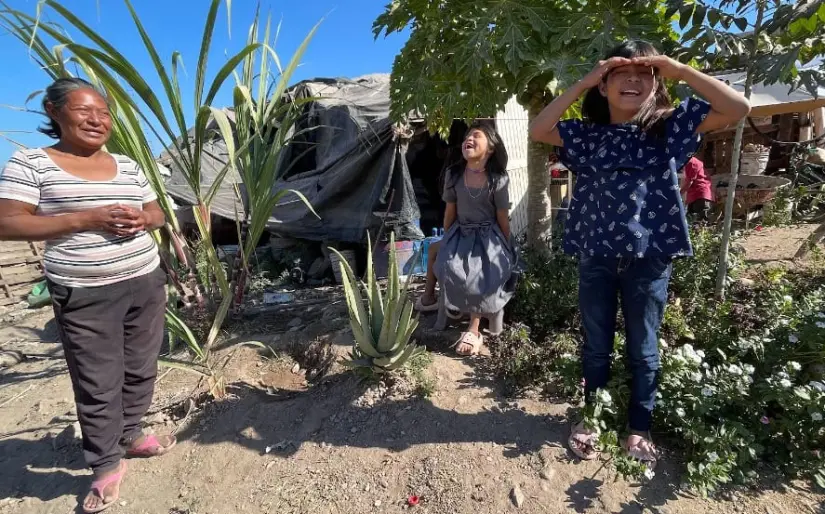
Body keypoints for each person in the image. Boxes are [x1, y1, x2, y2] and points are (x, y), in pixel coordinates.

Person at [529, 40, 750, 468]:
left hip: (650, 257)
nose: (632, 79)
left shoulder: (669, 128)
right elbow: (539, 128)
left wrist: (678, 69)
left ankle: (638, 428)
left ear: (656, 84)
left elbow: (738, 107)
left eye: (644, 73)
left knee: (644, 346)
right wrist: (584, 80)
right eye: (620, 73)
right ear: (604, 86)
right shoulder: (586, 135)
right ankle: (592, 417)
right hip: (596, 253)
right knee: (595, 344)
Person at [0, 78, 175, 513]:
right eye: (84, 111)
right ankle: (105, 465)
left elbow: (157, 210)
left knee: (140, 366)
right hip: (85, 291)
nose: (97, 120)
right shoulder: (31, 164)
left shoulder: (128, 165)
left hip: (144, 278)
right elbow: (7, 223)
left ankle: (131, 434)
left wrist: (143, 220)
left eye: (104, 113)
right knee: (98, 381)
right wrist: (86, 218)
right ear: (54, 111)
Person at [431, 122, 518, 355]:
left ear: (490, 148)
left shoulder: (498, 179)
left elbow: (502, 217)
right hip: (461, 232)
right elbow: (450, 212)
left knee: (482, 272)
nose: (468, 139)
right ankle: (453, 307)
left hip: (489, 237)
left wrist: (507, 244)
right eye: (466, 137)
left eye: (476, 136)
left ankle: (474, 327)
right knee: (447, 265)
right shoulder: (454, 174)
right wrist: (448, 238)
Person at [681, 156, 714, 221]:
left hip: (700, 195)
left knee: (701, 222)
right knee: (691, 220)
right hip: (693, 196)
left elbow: (689, 182)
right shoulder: (686, 162)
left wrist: (678, 194)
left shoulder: (691, 162)